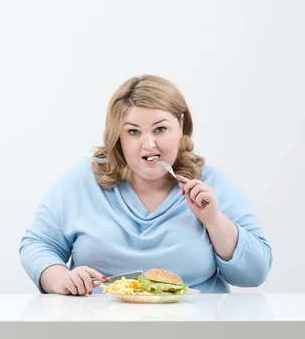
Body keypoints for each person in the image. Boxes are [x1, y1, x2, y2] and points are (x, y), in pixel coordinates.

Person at [19, 75, 272, 295]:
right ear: (118, 135)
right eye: (133, 132)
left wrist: (214, 220)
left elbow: (255, 274)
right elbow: (37, 244)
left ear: (181, 126)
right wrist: (59, 278)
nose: (149, 144)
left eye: (160, 129)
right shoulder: (83, 181)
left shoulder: (212, 185)